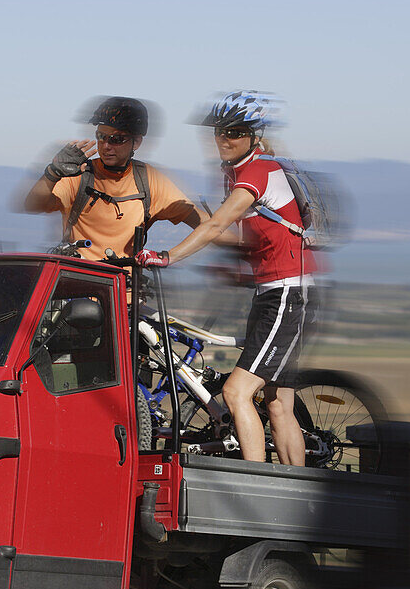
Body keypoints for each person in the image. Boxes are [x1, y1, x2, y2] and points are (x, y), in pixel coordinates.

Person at [135, 90, 318, 466]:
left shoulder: (259, 170)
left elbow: (219, 223)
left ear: (254, 135)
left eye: (234, 132)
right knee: (278, 402)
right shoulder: (235, 172)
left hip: (287, 294)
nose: (224, 139)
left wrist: (168, 256)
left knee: (237, 393)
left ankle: (255, 483)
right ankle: (297, 486)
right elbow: (241, 236)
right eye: (219, 131)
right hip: (273, 292)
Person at [23, 96, 208, 260]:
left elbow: (206, 225)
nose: (105, 146)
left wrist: (167, 257)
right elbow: (32, 205)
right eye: (101, 137)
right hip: (75, 287)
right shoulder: (80, 173)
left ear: (136, 142)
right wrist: (52, 174)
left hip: (123, 292)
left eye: (116, 139)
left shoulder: (149, 180)